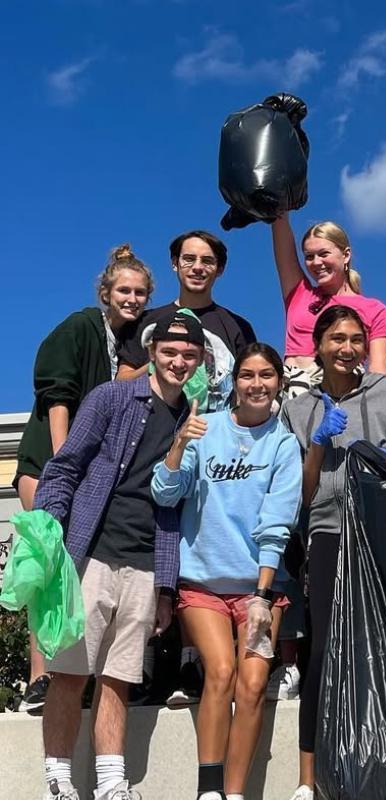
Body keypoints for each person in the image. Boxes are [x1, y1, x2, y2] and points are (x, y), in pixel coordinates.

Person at [34, 314, 205, 800]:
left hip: (146, 563)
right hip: (90, 554)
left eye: (188, 355)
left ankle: (111, 781)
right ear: (153, 352)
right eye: (170, 351)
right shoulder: (111, 398)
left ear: (199, 363)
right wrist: (53, 536)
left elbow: (175, 510)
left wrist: (166, 586)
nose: (178, 361)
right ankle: (58, 778)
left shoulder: (191, 419)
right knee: (69, 672)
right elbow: (65, 468)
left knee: (120, 676)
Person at [151, 343, 301, 800]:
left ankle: (234, 794)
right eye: (248, 375)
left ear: (279, 382)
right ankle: (209, 790)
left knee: (254, 684)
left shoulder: (283, 443)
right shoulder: (206, 428)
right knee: (219, 671)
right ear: (234, 382)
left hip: (259, 589)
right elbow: (164, 492)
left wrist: (261, 594)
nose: (257, 384)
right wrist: (179, 444)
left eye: (267, 376)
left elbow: (277, 522)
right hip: (203, 585)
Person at [14, 244, 153, 714]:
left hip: (95, 475)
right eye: (124, 290)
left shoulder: (135, 344)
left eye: (139, 292)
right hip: (51, 462)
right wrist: (62, 467)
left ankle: (77, 671)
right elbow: (59, 399)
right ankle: (39, 676)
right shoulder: (79, 327)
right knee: (49, 562)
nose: (131, 299)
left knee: (85, 574)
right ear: (106, 292)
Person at [280, 305, 386, 800]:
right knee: (324, 648)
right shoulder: (298, 409)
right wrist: (317, 445)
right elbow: (304, 495)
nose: (348, 348)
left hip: (381, 532)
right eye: (337, 338)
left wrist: (383, 461)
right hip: (328, 531)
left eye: (357, 339)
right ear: (317, 346)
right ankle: (307, 779)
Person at [118, 230, 256, 412]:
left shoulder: (238, 327)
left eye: (207, 261)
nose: (197, 267)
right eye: (189, 259)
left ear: (220, 269)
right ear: (175, 263)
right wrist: (157, 364)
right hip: (151, 432)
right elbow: (121, 382)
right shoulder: (146, 321)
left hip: (212, 434)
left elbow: (248, 386)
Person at [269, 213, 386, 396]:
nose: (316, 262)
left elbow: (378, 371)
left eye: (324, 254)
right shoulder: (299, 293)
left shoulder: (374, 309)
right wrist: (278, 208)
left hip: (341, 394)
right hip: (291, 393)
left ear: (346, 255)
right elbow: (280, 228)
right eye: (309, 256)